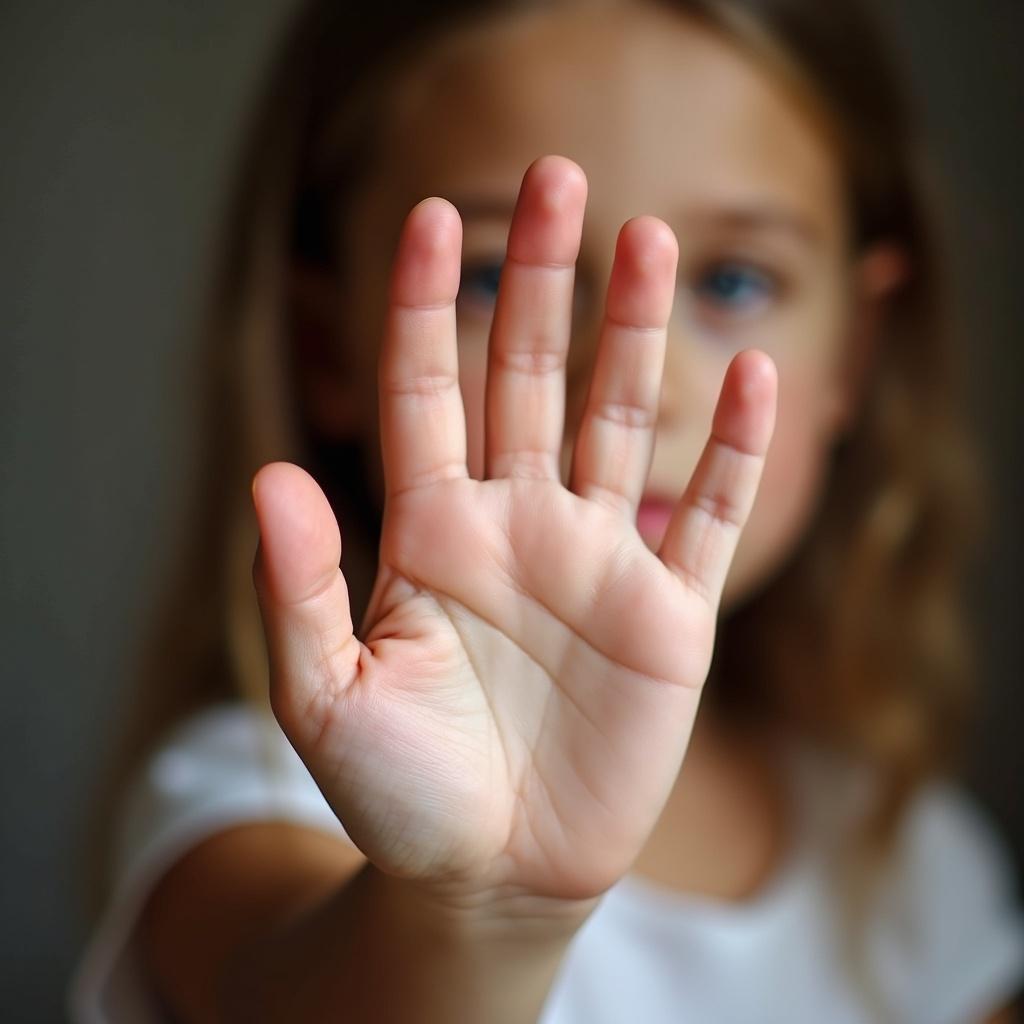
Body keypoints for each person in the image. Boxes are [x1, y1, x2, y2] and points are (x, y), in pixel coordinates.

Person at [69, 0, 1024, 1021]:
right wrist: (482, 913)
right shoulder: (249, 803)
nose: (637, 375)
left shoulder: (915, 867)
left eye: (733, 281)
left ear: (854, 350)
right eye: (494, 274)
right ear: (324, 343)